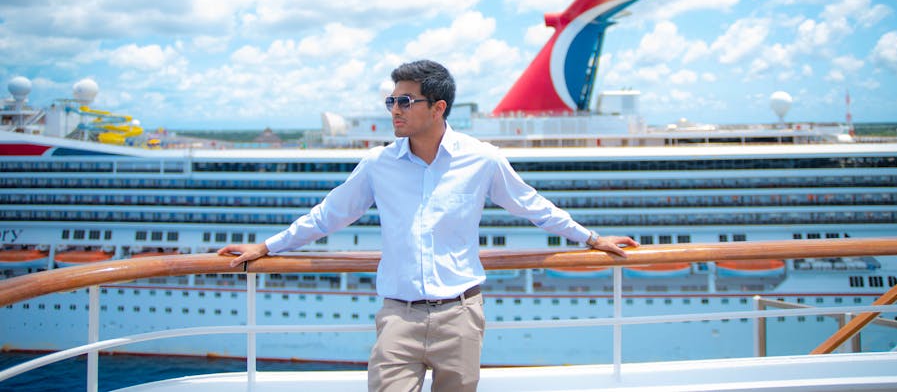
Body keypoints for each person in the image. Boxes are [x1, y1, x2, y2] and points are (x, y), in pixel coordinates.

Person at [218, 59, 638, 391]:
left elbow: (532, 206)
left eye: (405, 101)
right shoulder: (378, 164)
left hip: (460, 313)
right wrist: (267, 247)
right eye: (392, 100)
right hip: (398, 316)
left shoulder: (482, 159)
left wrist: (592, 238)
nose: (394, 110)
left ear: (438, 108)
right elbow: (328, 215)